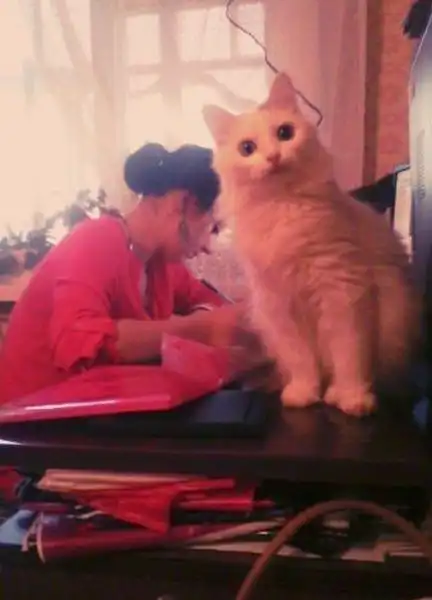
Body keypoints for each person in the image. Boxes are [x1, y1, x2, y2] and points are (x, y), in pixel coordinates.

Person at [0, 143, 259, 404]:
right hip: (31, 415)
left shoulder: (161, 264)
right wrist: (203, 328)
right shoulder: (96, 239)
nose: (208, 246)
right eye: (213, 228)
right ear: (184, 203)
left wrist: (209, 318)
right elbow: (80, 342)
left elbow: (211, 302)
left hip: (92, 410)